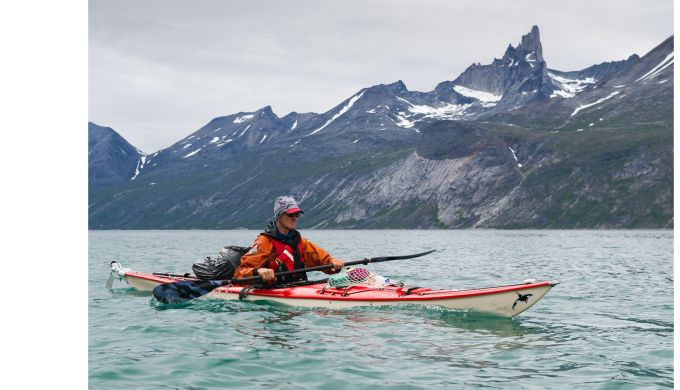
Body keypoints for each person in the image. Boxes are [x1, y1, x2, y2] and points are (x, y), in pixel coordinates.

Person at [234, 196, 345, 284]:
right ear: (278, 216)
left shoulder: (300, 241)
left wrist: (334, 263)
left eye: (297, 214)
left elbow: (325, 264)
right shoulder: (265, 241)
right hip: (273, 297)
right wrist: (258, 271)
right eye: (290, 214)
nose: (295, 218)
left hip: (297, 288)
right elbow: (239, 273)